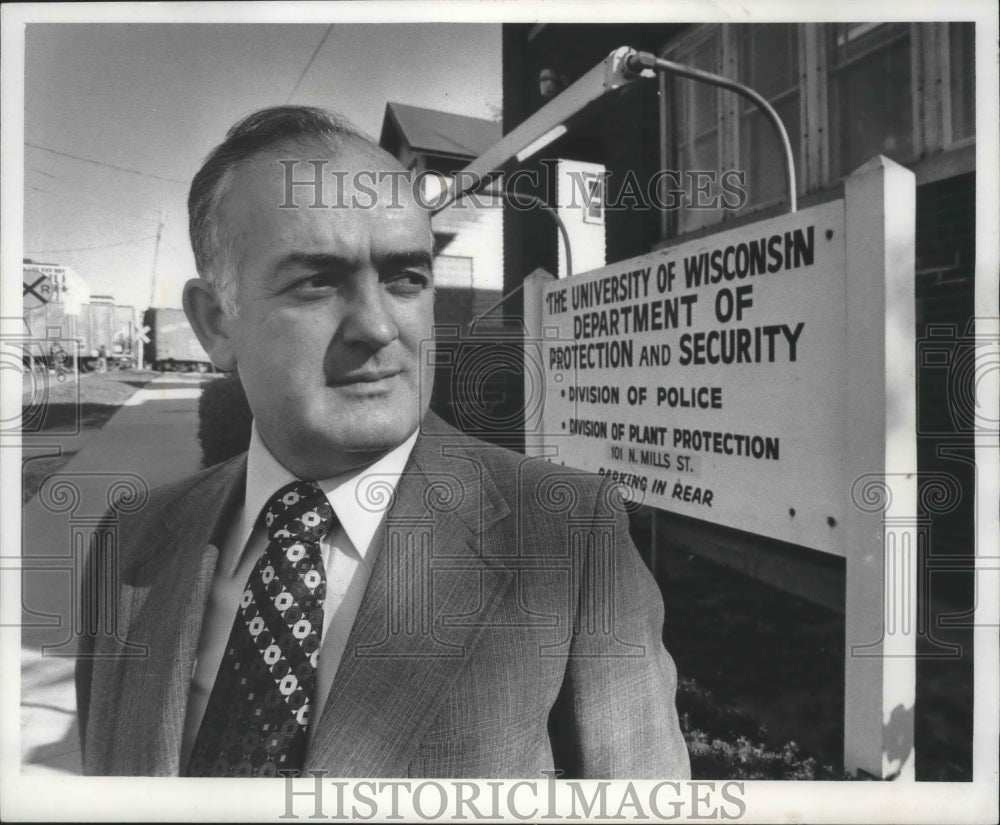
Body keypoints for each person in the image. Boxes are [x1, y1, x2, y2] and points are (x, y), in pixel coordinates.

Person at [75, 105, 690, 779]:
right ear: (217, 322)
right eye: (317, 281)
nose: (376, 325)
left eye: (406, 278)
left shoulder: (571, 540)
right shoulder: (129, 544)